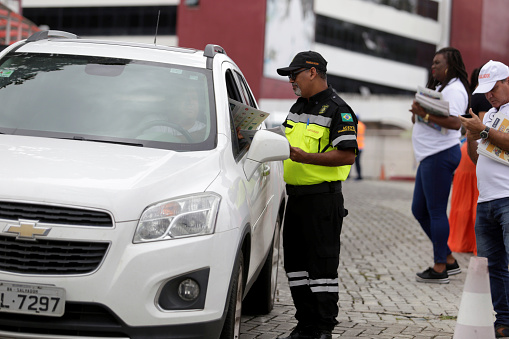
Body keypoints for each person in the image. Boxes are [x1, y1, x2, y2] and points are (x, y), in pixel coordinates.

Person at [276, 51, 358, 339]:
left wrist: (305, 158)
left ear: (312, 72)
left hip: (322, 200)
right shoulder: (298, 107)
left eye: (294, 74)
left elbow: (347, 155)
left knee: (321, 268)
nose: (290, 81)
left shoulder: (339, 110)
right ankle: (305, 324)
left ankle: (323, 329)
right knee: (295, 266)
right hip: (295, 199)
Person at [409, 47, 469, 284]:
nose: (432, 67)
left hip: (440, 155)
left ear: (450, 66)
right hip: (429, 156)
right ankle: (449, 259)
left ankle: (440, 266)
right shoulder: (441, 88)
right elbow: (432, 119)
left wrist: (423, 115)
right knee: (419, 210)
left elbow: (455, 123)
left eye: (437, 63)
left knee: (434, 211)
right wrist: (418, 113)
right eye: (432, 63)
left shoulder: (455, 90)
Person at [459, 60, 509, 338]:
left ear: (507, 81)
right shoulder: (489, 114)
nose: (489, 94)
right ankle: (504, 321)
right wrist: (471, 134)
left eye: (494, 88)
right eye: (485, 90)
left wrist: (485, 131)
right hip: (486, 199)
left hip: (507, 197)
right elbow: (476, 156)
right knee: (494, 266)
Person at [448, 66, 491, 254]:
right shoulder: (486, 98)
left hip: (468, 149)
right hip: (481, 149)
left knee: (463, 200)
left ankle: (461, 241)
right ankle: (476, 244)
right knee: (477, 199)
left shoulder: (474, 96)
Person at [354, 115, 365, 180]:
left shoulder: (355, 125)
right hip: (361, 146)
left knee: (349, 161)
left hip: (355, 146)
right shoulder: (362, 125)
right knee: (358, 162)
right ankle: (359, 175)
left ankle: (348, 176)